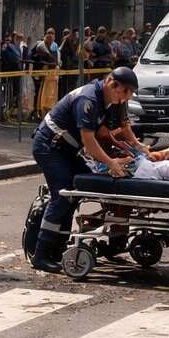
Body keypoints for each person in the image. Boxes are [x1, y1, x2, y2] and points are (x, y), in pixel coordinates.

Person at [28, 67, 139, 273]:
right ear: (111, 84)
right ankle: (40, 254)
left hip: (66, 149)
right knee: (62, 196)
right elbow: (88, 141)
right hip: (50, 147)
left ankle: (58, 248)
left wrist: (128, 151)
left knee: (76, 192)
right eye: (125, 93)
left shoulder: (105, 100)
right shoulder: (89, 99)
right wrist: (110, 163)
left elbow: (102, 134)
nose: (125, 99)